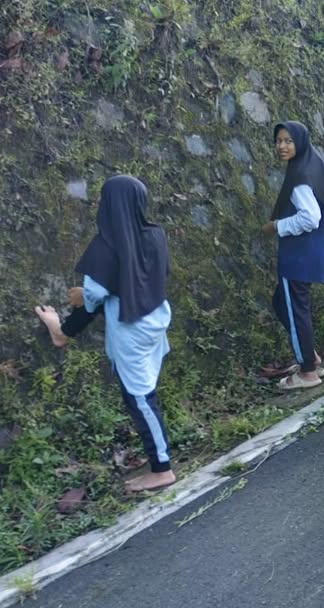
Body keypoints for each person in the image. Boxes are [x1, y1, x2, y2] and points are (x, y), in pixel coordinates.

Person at [34, 175, 176, 493]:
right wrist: (88, 296)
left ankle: (162, 468)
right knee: (144, 391)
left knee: (140, 398)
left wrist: (81, 296)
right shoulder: (155, 234)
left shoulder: (106, 245)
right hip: (155, 318)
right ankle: (62, 332)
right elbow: (144, 276)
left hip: (131, 330)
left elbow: (95, 295)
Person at [264, 121, 324, 390]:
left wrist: (277, 226)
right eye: (279, 141)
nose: (282, 146)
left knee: (295, 310)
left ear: (299, 142)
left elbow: (310, 218)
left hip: (297, 257)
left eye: (288, 141)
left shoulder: (299, 177)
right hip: (312, 252)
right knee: (282, 303)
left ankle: (307, 372)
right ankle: (309, 356)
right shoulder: (310, 164)